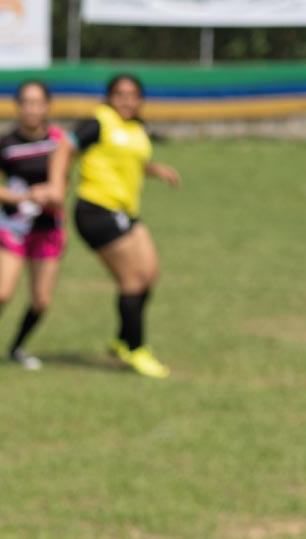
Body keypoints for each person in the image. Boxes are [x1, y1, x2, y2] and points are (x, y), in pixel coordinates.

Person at [70, 73, 181, 378]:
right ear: (109, 96)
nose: (126, 100)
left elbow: (126, 160)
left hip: (125, 211)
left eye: (132, 95)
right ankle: (136, 349)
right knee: (132, 280)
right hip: (96, 209)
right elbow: (65, 148)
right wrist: (57, 181)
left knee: (149, 274)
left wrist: (154, 169)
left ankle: (121, 340)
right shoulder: (97, 122)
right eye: (120, 94)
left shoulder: (137, 127)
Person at [0, 80, 69, 374]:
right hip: (13, 226)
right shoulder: (6, 143)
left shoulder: (59, 141)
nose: (32, 108)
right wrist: (22, 197)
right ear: (18, 106)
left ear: (47, 106)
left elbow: (61, 187)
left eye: (37, 102)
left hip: (47, 228)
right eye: (26, 102)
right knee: (3, 292)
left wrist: (50, 195)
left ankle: (17, 347)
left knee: (41, 301)